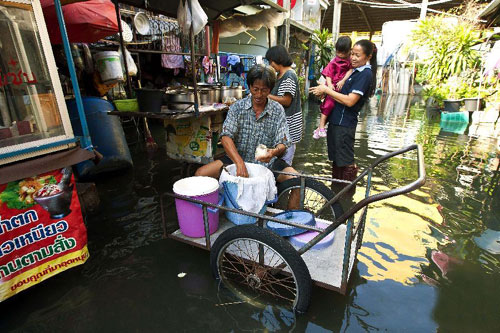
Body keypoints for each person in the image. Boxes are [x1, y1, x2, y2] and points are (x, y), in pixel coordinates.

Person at [195, 64, 300, 207]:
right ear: (249, 86)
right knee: (200, 174)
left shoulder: (277, 109)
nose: (258, 95)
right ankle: (211, 214)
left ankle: (290, 222)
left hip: (268, 164)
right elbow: (226, 137)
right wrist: (239, 162)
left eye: (264, 90)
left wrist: (273, 152)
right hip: (236, 158)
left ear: (270, 89)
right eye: (255, 89)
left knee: (297, 182)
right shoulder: (237, 107)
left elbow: (283, 141)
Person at [309, 39, 377, 187]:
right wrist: (326, 93)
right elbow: (338, 94)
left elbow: (350, 101)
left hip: (344, 125)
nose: (352, 58)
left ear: (368, 56)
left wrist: (327, 90)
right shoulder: (354, 72)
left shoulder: (364, 74)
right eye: (352, 54)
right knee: (337, 161)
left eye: (357, 55)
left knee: (345, 162)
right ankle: (336, 194)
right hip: (336, 122)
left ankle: (345, 198)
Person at [265, 45, 302, 165]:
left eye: (271, 61)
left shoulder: (289, 76)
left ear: (277, 59)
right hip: (283, 125)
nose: (270, 65)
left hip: (289, 125)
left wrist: (267, 96)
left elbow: (287, 100)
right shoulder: (280, 75)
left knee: (285, 161)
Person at [313, 36, 353, 139]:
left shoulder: (350, 61)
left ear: (349, 51)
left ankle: (319, 129)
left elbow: (350, 71)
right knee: (328, 105)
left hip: (340, 86)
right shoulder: (334, 61)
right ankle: (321, 127)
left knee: (334, 107)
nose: (340, 55)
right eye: (338, 52)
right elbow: (328, 74)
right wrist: (329, 86)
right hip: (332, 86)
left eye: (343, 53)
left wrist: (343, 80)